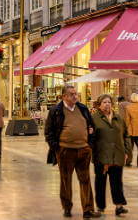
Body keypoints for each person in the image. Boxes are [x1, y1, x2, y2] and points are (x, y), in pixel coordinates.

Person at [45, 85, 100, 219]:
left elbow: (92, 126)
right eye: (71, 94)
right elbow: (48, 132)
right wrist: (56, 147)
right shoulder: (56, 111)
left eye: (76, 94)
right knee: (66, 180)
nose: (75, 96)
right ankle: (67, 207)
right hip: (65, 151)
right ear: (64, 96)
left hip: (83, 150)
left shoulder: (82, 108)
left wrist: (89, 145)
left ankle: (88, 209)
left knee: (85, 179)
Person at [92, 94, 130, 216]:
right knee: (100, 183)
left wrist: (127, 151)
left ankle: (119, 206)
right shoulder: (94, 118)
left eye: (109, 102)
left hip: (117, 155)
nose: (107, 104)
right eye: (104, 102)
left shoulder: (118, 118)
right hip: (101, 157)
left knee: (117, 182)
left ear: (112, 104)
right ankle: (100, 207)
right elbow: (89, 137)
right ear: (99, 105)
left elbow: (126, 135)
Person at [125, 93, 138, 167]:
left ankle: (128, 162)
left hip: (131, 131)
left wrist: (125, 129)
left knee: (129, 148)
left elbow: (127, 120)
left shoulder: (128, 107)